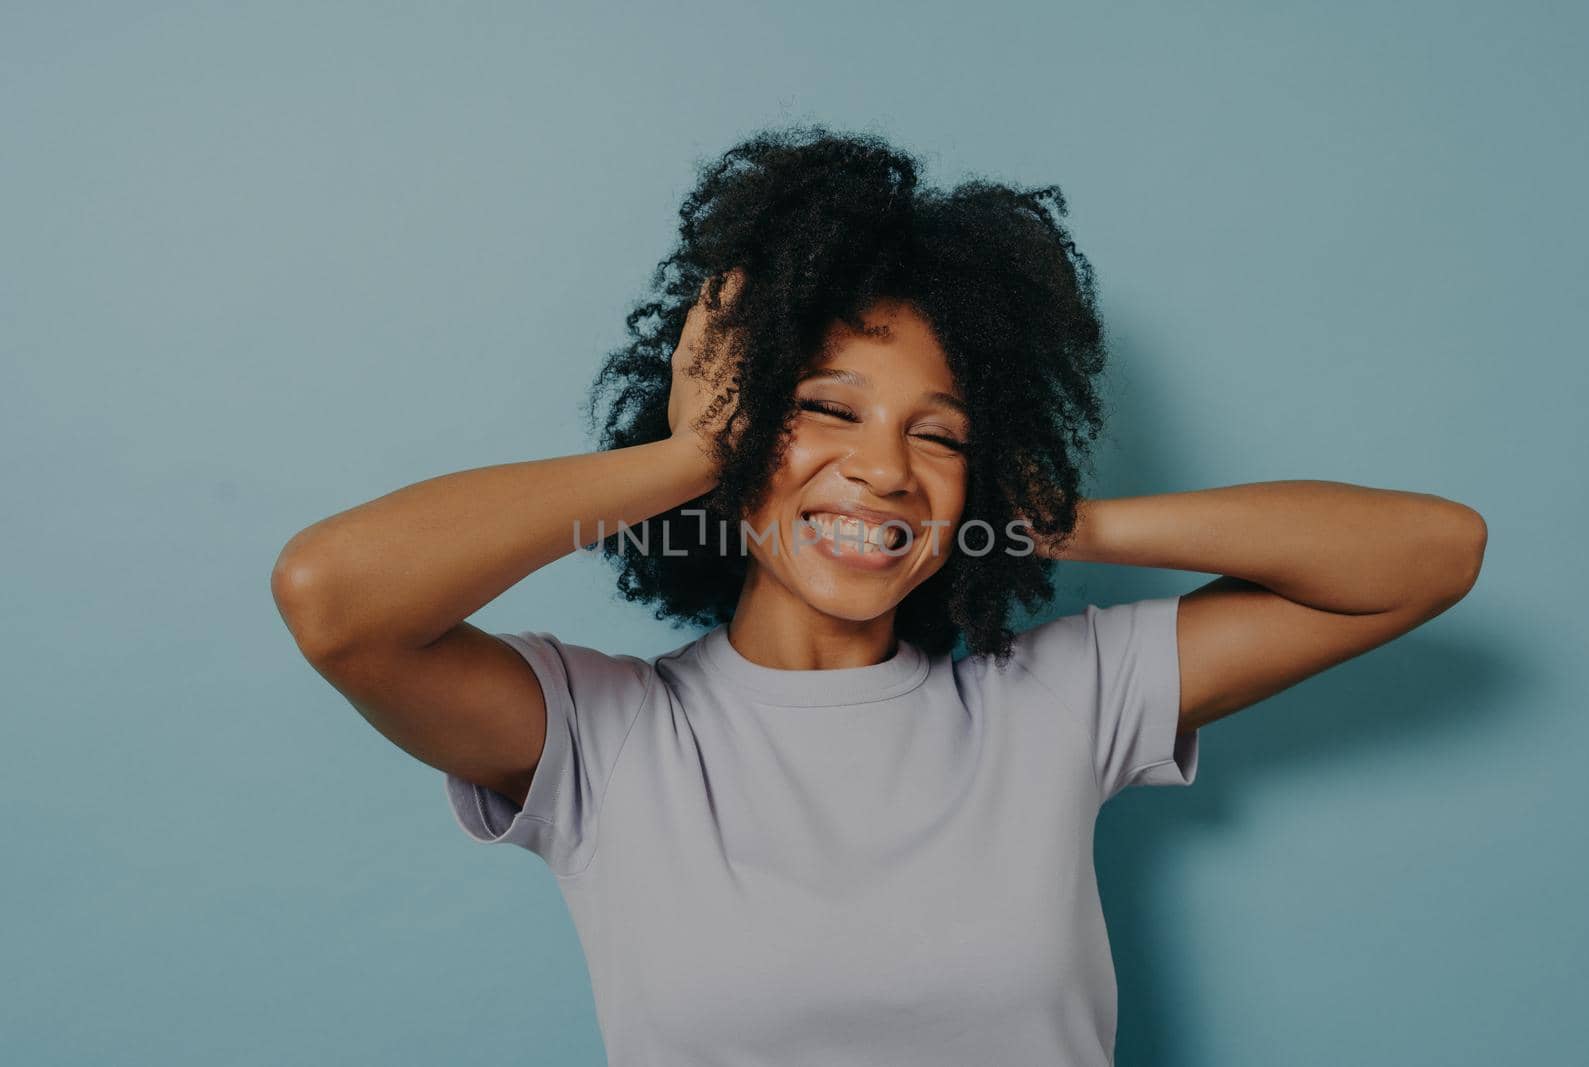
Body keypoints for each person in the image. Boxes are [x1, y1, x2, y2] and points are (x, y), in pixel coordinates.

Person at [270, 126, 1487, 1066]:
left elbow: (1428, 552)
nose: (885, 468)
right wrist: (698, 456)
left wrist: (1062, 521)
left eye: (940, 435)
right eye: (826, 409)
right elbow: (334, 597)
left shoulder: (1059, 700)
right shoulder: (602, 738)